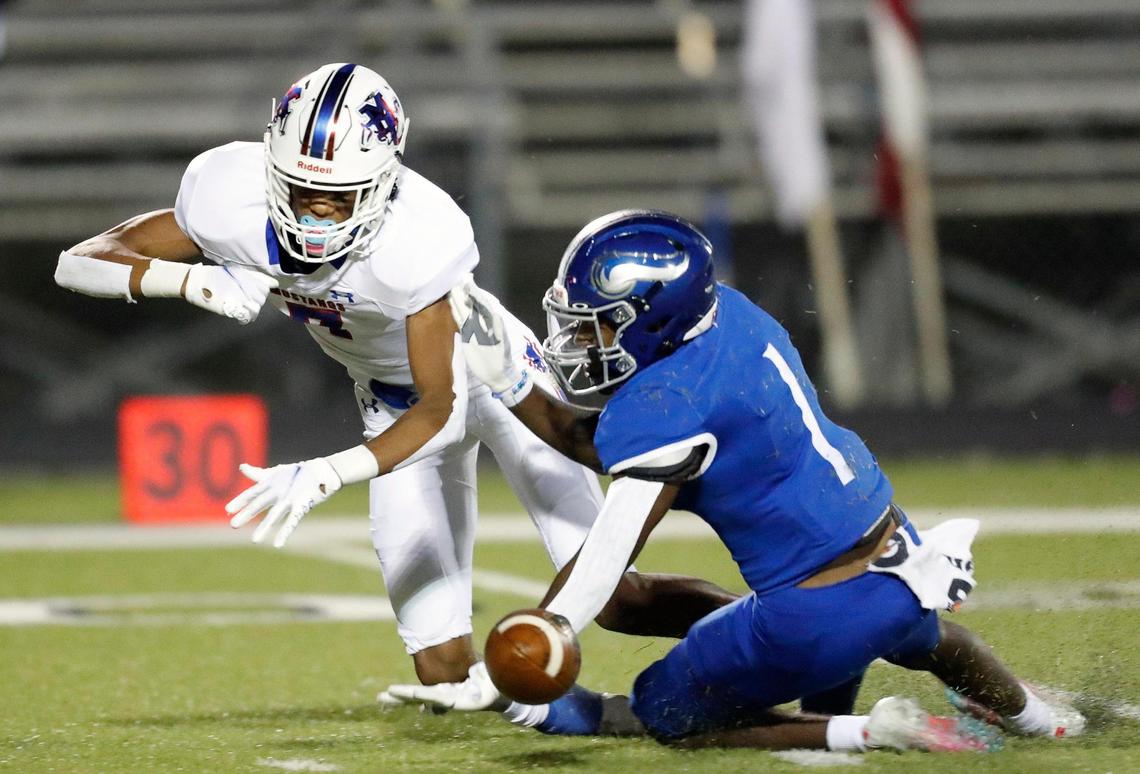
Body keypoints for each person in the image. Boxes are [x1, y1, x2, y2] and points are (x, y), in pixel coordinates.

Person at [52, 64, 739, 724]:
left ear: (383, 183)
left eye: (338, 196)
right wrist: (187, 280)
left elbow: (439, 406)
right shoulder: (228, 194)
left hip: (495, 379)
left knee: (617, 598)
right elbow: (78, 262)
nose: (316, 213)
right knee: (442, 668)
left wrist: (328, 472)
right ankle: (580, 715)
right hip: (388, 398)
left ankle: (763, 631)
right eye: (299, 190)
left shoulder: (420, 234)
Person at [445, 209, 1087, 751]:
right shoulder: (733, 316)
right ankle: (1042, 719)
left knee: (667, 712)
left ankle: (869, 732)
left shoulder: (671, 403)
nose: (584, 339)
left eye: (601, 323)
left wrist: (544, 631)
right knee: (930, 640)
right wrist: (513, 381)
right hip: (894, 549)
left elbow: (608, 554)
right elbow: (609, 446)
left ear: (654, 319)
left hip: (813, 614)